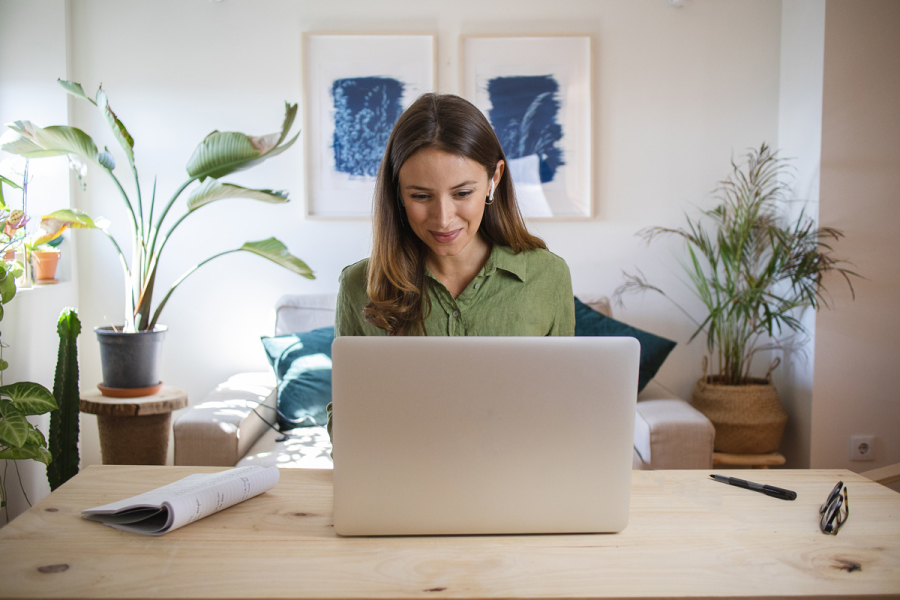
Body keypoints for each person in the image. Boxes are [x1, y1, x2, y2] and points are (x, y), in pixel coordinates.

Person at [327, 93, 575, 441]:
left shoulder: (548, 276)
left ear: (494, 179)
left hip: (516, 484)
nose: (443, 219)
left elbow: (564, 407)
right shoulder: (359, 285)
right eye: (421, 196)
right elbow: (348, 415)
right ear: (397, 192)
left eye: (462, 193)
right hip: (402, 484)